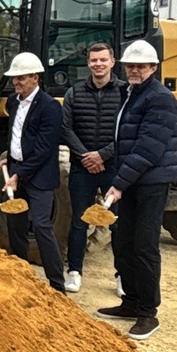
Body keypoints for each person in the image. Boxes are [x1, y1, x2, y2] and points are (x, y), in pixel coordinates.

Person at [96, 40, 177, 341]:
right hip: (132, 179)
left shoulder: (160, 99)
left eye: (141, 66)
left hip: (152, 181)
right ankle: (130, 301)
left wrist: (118, 184)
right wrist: (121, 181)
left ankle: (148, 312)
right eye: (130, 65)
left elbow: (148, 148)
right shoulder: (130, 93)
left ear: (153, 68)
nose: (134, 70)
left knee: (144, 244)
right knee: (124, 239)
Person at [60, 43, 126, 293]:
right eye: (93, 60)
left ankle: (122, 275)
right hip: (82, 168)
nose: (98, 64)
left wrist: (103, 155)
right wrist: (86, 156)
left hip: (113, 168)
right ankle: (74, 271)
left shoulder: (124, 92)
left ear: (112, 62)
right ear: (88, 64)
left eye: (103, 60)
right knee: (79, 221)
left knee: (117, 222)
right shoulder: (74, 93)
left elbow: (127, 129)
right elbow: (66, 128)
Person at [1, 52, 66, 293]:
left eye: (22, 78)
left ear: (35, 78)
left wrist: (19, 174)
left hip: (39, 176)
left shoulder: (50, 107)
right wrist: (7, 161)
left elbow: (43, 150)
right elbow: (15, 136)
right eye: (14, 79)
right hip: (17, 169)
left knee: (41, 226)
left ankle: (57, 285)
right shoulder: (13, 101)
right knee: (15, 225)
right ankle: (21, 276)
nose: (17, 82)